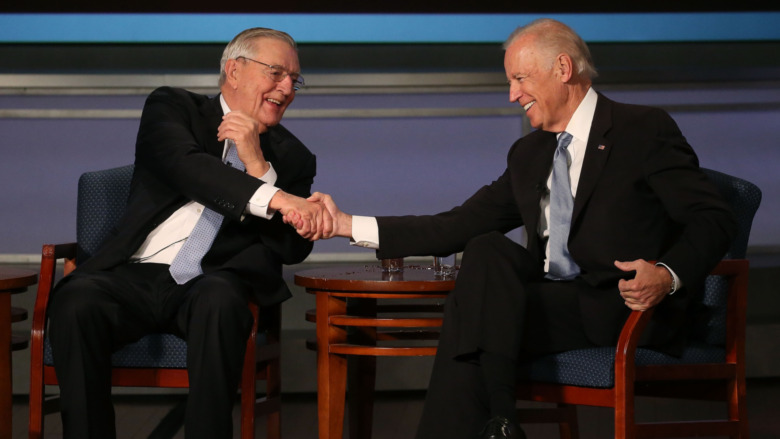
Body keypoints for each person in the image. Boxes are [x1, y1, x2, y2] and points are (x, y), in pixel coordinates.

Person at [301, 18, 737, 439]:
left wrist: (666, 274)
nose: (512, 95)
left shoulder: (642, 129)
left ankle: (502, 422)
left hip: (619, 305)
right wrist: (344, 224)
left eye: (520, 79)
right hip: (549, 303)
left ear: (562, 68)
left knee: (470, 322)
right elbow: (458, 224)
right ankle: (503, 422)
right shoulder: (529, 153)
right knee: (488, 248)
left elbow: (713, 217)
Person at [47, 27, 330, 439]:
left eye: (294, 79)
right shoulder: (173, 107)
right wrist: (276, 197)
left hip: (211, 279)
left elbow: (291, 246)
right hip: (133, 273)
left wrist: (258, 166)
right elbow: (187, 167)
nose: (287, 88)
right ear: (234, 70)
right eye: (276, 73)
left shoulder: (294, 157)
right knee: (76, 299)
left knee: (221, 299)